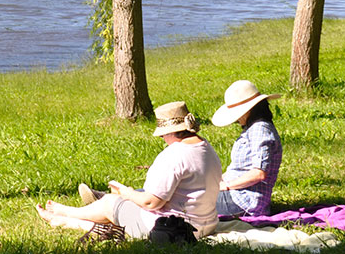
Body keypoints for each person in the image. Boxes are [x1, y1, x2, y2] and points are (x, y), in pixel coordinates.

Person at [35, 101, 223, 239]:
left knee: (110, 203)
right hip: (207, 222)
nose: (163, 139)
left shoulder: (174, 155)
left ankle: (64, 213)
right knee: (121, 202)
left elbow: (151, 203)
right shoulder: (206, 147)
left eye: (163, 135)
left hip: (175, 229)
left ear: (170, 132)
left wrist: (127, 192)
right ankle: (72, 219)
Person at [210, 79, 282, 217]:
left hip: (243, 200)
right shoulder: (253, 128)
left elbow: (259, 173)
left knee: (187, 203)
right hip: (237, 194)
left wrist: (227, 186)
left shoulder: (260, 129)